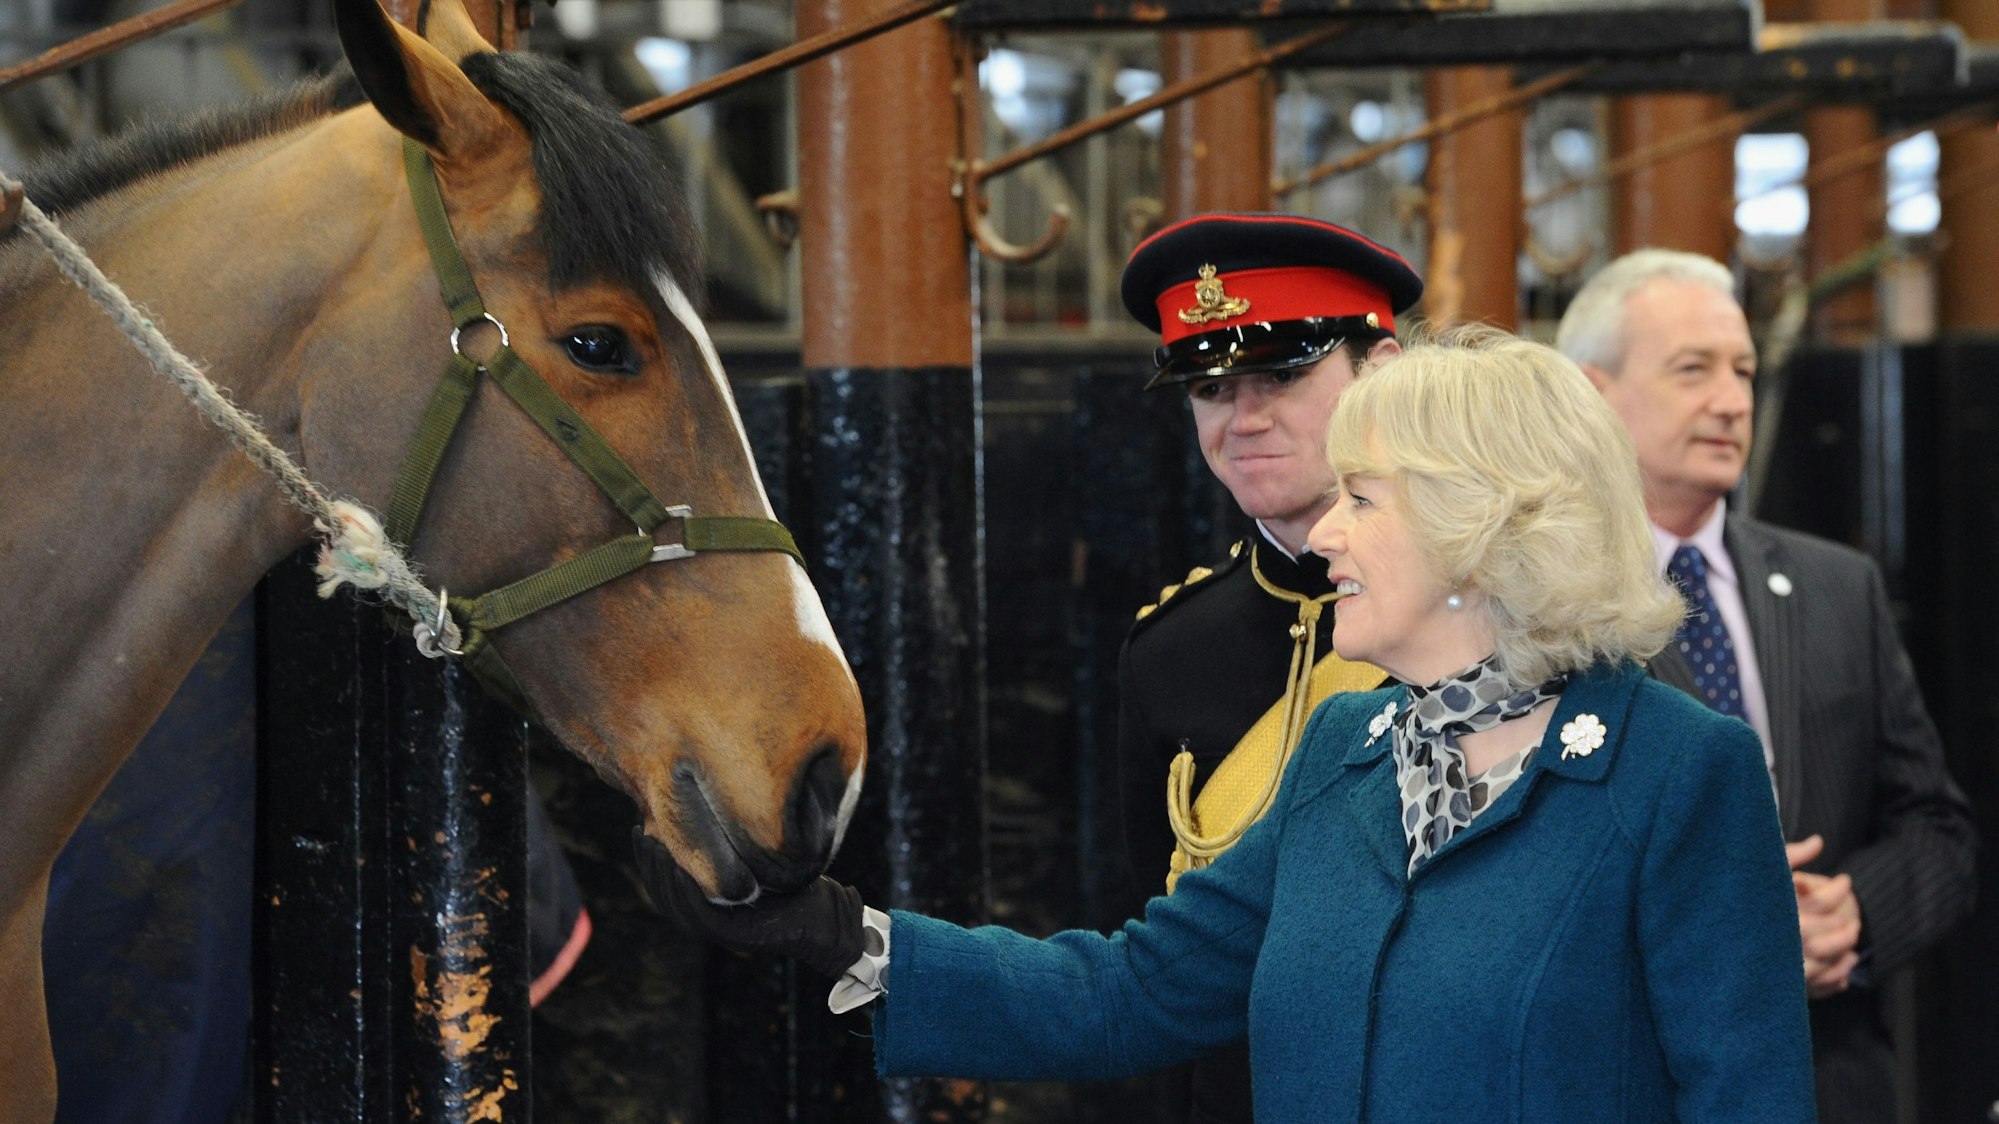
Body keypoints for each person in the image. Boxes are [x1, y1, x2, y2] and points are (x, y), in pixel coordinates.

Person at [635, 329, 1818, 1122]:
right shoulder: (1345, 756)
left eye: (1363, 498)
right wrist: (843, 935)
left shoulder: (1677, 773)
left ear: (1483, 527)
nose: (1328, 533)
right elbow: (1133, 989)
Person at [1556, 249, 1977, 1124]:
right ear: (1592, 393)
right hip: (1633, 1082)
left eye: (1743, 370)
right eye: (1692, 370)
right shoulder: (1542, 608)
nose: (1731, 400)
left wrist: (1853, 915)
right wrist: (1732, 923)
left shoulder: (1836, 585)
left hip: (1833, 1079)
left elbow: (1937, 828)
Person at [1109, 213, 1419, 1123]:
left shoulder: (1507, 611)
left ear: (1383, 372)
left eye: (1282, 375)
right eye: (1209, 389)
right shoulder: (1167, 651)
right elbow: (1152, 963)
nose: (1244, 419)